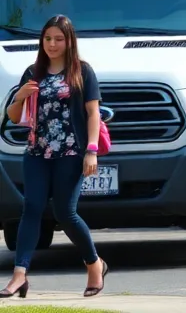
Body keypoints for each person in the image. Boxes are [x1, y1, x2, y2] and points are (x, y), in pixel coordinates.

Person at [2, 16, 106, 299]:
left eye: (59, 39)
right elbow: (13, 117)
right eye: (47, 38)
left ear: (69, 40)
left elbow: (93, 113)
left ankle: (94, 264)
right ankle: (19, 275)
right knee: (31, 208)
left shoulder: (82, 71)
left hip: (71, 153)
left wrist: (91, 150)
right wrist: (20, 97)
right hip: (37, 152)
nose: (52, 44)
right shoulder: (33, 71)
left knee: (65, 214)